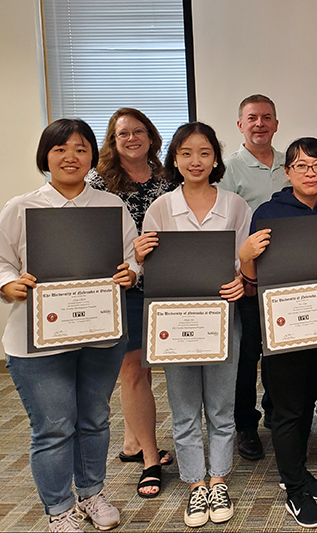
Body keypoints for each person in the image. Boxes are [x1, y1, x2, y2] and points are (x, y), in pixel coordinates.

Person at [0, 119, 139, 532]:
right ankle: (59, 509)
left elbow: (132, 257)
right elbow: (2, 262)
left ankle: (92, 493)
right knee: (54, 426)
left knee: (95, 417)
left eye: (80, 149)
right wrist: (9, 284)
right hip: (36, 339)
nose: (70, 157)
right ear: (46, 155)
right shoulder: (21, 207)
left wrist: (130, 273)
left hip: (99, 332)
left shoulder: (111, 206)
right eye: (60, 149)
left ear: (92, 156)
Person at [239, 137, 317, 529]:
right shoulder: (269, 213)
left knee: (307, 399)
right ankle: (293, 488)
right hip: (283, 327)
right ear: (287, 171)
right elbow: (253, 277)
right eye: (301, 166)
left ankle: (300, 470)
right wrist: (245, 258)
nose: (310, 172)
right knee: (288, 408)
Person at [139, 122, 249, 528]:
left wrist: (242, 279)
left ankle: (218, 479)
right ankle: (194, 483)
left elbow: (246, 258)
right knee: (184, 408)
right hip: (175, 321)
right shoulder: (161, 208)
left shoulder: (236, 205)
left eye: (203, 152)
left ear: (216, 158)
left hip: (222, 318)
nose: (195, 161)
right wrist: (138, 254)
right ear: (174, 159)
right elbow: (145, 268)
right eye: (186, 153)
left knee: (221, 407)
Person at [88, 107, 176, 498]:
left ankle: (130, 442)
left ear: (152, 137)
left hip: (167, 282)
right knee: (134, 369)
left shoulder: (166, 178)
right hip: (122, 285)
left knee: (148, 367)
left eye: (139, 131)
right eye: (123, 133)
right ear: (112, 140)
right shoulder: (97, 182)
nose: (132, 138)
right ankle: (151, 458)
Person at [219, 94, 289, 461]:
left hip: (286, 277)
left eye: (266, 118)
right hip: (246, 278)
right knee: (246, 356)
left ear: (276, 124)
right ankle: (245, 423)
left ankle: (276, 412)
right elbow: (225, 226)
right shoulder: (228, 169)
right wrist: (237, 271)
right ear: (240, 125)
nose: (259, 124)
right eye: (252, 118)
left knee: (280, 349)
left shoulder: (289, 164)